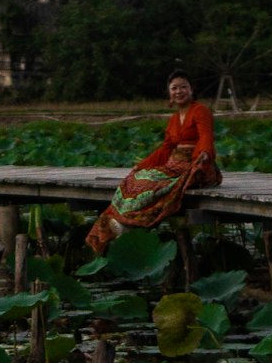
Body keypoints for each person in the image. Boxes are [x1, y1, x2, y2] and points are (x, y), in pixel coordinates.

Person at [85, 72, 220, 255]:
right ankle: (119, 223)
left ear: (191, 89)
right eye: (174, 88)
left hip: (196, 165)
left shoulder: (200, 110)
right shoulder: (174, 119)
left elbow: (206, 136)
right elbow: (166, 149)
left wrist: (204, 154)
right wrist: (142, 165)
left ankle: (133, 224)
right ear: (169, 92)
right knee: (136, 179)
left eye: (183, 87)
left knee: (154, 185)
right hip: (173, 165)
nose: (179, 91)